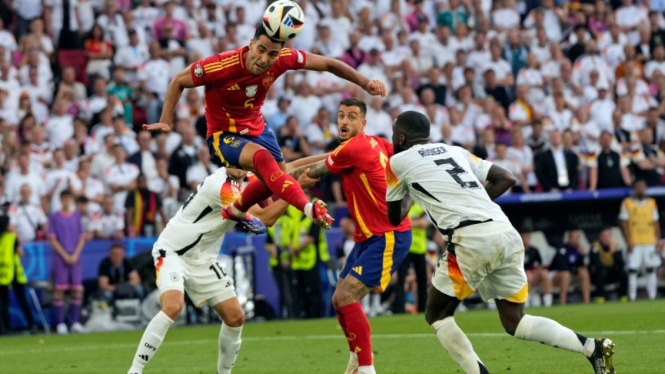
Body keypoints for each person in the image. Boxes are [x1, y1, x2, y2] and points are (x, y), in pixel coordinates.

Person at [385, 111, 615, 374]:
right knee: (516, 321)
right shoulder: (455, 151)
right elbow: (506, 177)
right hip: (505, 232)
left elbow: (394, 217)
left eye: (393, 134)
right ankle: (591, 347)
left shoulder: (397, 162)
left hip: (469, 239)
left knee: (436, 313)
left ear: (401, 138)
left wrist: (414, 192)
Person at [143, 24, 388, 234]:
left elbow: (326, 64)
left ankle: (240, 210)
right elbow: (267, 218)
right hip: (182, 247)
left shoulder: (280, 59)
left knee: (275, 169)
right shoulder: (226, 186)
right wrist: (166, 119)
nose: (263, 59)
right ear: (251, 44)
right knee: (263, 159)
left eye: (271, 54)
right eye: (260, 50)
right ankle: (256, 209)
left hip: (256, 129)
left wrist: (343, 152)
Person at [126, 159, 320, 374]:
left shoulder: (247, 178)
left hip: (203, 259)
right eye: (231, 160)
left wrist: (336, 154)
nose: (236, 164)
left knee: (235, 317)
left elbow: (287, 169)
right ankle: (135, 370)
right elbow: (265, 218)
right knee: (173, 306)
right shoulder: (223, 187)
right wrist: (299, 186)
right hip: (173, 252)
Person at [289, 98, 412, 374]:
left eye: (351, 117)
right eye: (341, 115)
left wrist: (275, 179)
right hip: (367, 236)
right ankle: (357, 362)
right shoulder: (378, 143)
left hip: (387, 235)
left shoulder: (353, 149)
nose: (344, 121)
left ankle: (366, 369)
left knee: (346, 297)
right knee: (338, 299)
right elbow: (405, 159)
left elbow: (312, 172)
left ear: (363, 123)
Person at [48, 189, 86, 335]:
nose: (66, 201)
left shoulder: (76, 217)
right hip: (61, 257)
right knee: (60, 289)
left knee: (76, 288)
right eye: (64, 198)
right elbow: (52, 238)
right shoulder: (55, 217)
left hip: (75, 257)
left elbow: (82, 237)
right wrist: (65, 255)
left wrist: (75, 253)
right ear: (61, 200)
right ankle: (60, 324)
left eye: (69, 198)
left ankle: (75, 322)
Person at [619, 179, 661, 300]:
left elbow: (655, 222)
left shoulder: (652, 203)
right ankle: (632, 296)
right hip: (635, 241)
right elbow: (624, 223)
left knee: (650, 268)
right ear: (635, 189)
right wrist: (628, 240)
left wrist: (657, 240)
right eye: (639, 187)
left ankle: (652, 296)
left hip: (649, 241)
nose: (641, 189)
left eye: (643, 186)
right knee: (633, 269)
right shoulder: (627, 202)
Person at [0, 216, 35, 335]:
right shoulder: (11, 237)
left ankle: (5, 328)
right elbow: (20, 253)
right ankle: (32, 325)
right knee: (22, 300)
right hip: (13, 272)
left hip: (2, 273)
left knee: (3, 302)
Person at [394, 204, 429, 314]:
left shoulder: (421, 207)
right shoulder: (402, 207)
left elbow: (424, 223)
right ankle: (399, 308)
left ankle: (423, 308)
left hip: (419, 249)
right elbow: (396, 222)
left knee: (422, 280)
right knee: (401, 279)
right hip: (404, 247)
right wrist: (415, 222)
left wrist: (406, 223)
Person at [549, 231, 591, 305]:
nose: (576, 239)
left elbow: (580, 266)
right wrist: (574, 269)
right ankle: (563, 302)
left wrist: (582, 255)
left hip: (570, 275)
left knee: (584, 272)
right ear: (569, 238)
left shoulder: (578, 250)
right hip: (555, 275)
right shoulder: (563, 248)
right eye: (573, 237)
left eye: (577, 237)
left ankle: (587, 302)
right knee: (565, 274)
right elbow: (560, 265)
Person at [589, 228, 629, 303]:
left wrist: (614, 252)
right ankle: (600, 297)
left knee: (623, 273)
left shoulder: (616, 246)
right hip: (600, 274)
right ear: (600, 237)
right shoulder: (595, 247)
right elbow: (595, 263)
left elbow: (621, 264)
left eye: (608, 236)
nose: (606, 238)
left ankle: (623, 296)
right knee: (602, 272)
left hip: (612, 273)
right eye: (604, 236)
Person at [521, 232, 552, 308]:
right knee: (527, 274)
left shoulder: (534, 250)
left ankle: (547, 301)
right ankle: (526, 300)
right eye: (523, 237)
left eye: (527, 237)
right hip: (520, 277)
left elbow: (540, 265)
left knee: (544, 273)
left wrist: (535, 272)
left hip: (532, 277)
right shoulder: (516, 250)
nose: (525, 239)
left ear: (530, 238)